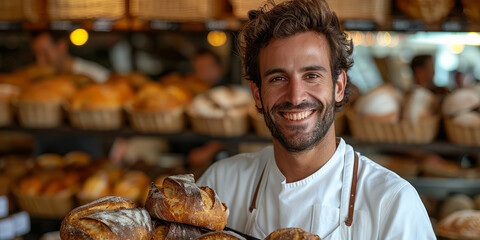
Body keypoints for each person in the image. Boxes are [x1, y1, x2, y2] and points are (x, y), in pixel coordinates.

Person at [196, 0, 436, 239]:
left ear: (339, 86)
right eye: (278, 78)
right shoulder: (221, 185)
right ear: (257, 94)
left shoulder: (392, 204)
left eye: (311, 75)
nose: (295, 96)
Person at [31, 31, 110, 83]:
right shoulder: (42, 81)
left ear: (62, 46)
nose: (39, 61)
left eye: (45, 53)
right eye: (36, 55)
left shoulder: (96, 75)